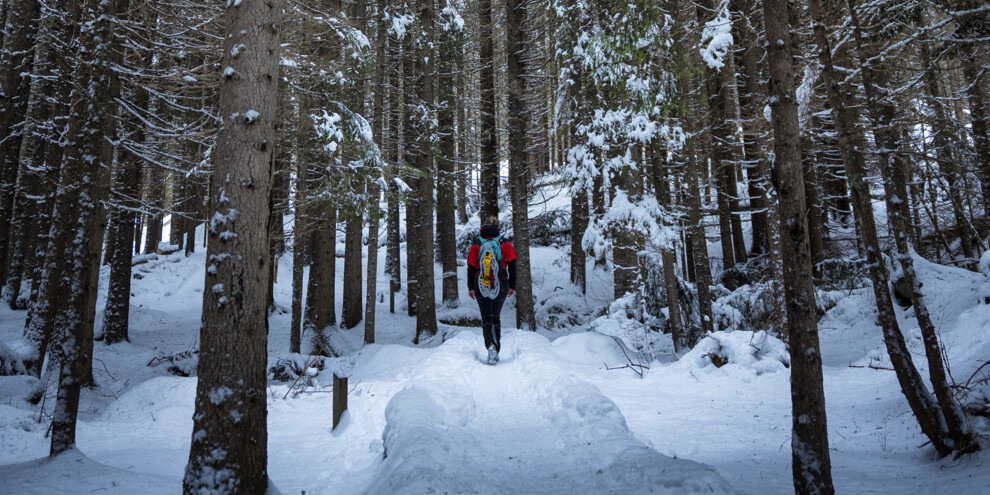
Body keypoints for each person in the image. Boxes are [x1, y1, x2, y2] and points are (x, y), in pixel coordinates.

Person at [467, 216, 516, 364]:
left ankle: (490, 345)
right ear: (498, 227)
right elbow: (512, 264)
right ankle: (496, 348)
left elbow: (470, 266)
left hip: (480, 282)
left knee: (486, 318)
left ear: (483, 226)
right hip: (500, 282)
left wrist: (470, 287)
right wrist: (512, 285)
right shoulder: (504, 243)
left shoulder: (477, 243)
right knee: (496, 318)